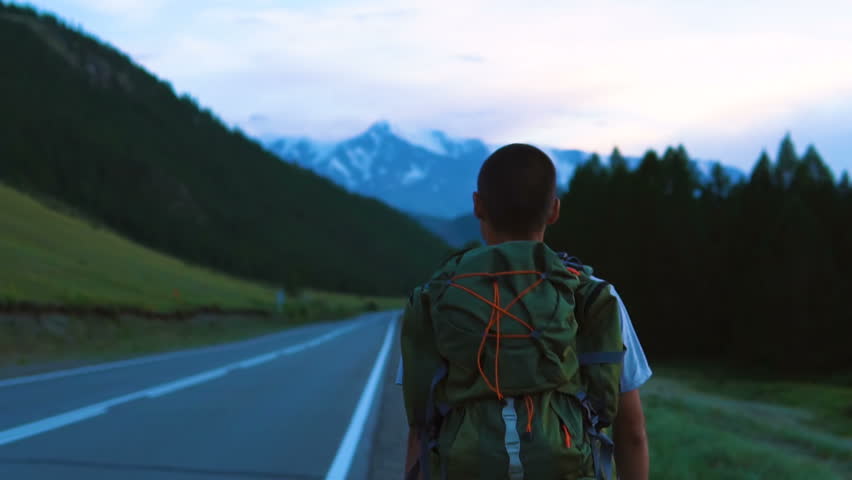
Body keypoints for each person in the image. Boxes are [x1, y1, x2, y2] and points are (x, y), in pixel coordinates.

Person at [399, 143, 651, 480]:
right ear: (554, 211)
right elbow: (631, 432)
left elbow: (421, 429)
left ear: (477, 206)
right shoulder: (591, 296)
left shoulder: (437, 298)